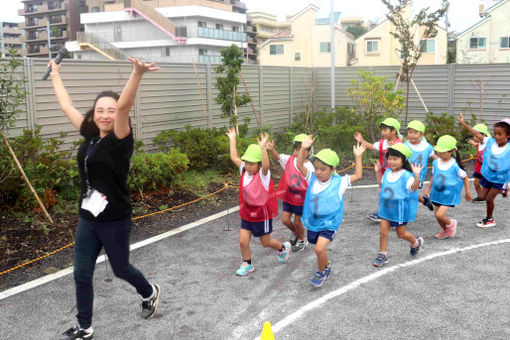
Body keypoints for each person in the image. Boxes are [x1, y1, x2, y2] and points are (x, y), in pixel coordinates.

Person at [49, 57, 161, 340]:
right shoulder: (90, 135)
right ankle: (84, 326)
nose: (105, 115)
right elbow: (66, 106)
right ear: (94, 113)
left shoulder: (121, 139)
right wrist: (55, 74)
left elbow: (124, 106)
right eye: (100, 110)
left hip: (114, 219)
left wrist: (136, 73)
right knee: (81, 274)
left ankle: (148, 291)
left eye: (110, 110)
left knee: (121, 268)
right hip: (88, 218)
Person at [297, 136, 366, 287]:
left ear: (333, 169)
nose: (318, 172)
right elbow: (299, 165)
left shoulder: (339, 182)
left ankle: (321, 272)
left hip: (330, 222)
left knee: (319, 248)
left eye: (323, 169)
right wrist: (303, 148)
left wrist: (358, 157)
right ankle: (326, 265)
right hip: (314, 220)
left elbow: (358, 176)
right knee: (315, 244)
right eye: (316, 168)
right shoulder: (312, 178)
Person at [226, 128, 290, 276]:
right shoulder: (244, 170)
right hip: (247, 212)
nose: (247, 166)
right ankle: (247, 264)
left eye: (251, 163)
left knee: (265, 242)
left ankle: (283, 248)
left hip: (262, 214)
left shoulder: (263, 174)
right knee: (243, 241)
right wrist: (232, 139)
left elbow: (266, 165)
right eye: (246, 163)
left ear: (259, 164)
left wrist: (263, 149)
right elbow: (234, 157)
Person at [373, 143, 424, 268]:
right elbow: (381, 184)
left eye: (395, 159)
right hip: (386, 208)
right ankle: (382, 254)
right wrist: (378, 172)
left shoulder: (406, 175)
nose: (391, 161)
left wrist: (416, 176)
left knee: (400, 234)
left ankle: (415, 242)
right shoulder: (387, 172)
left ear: (403, 160)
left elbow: (413, 187)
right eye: (390, 158)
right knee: (383, 232)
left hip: (400, 210)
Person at [459, 114, 510, 228]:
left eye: (500, 134)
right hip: (489, 175)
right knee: (482, 196)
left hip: (500, 179)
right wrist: (463, 124)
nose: (496, 136)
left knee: (489, 198)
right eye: (495, 133)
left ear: (508, 135)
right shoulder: (490, 142)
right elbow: (476, 133)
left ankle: (489, 219)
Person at [268, 134, 314, 252]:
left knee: (297, 221)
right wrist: (272, 149)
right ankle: (295, 233)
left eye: (301, 149)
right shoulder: (289, 159)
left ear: (307, 151)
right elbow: (278, 157)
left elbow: (310, 184)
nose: (296, 151)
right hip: (289, 197)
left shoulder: (309, 167)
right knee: (285, 220)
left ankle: (302, 239)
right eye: (296, 148)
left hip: (301, 199)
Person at [354, 117, 403, 222]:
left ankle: (397, 216)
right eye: (382, 130)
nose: (382, 132)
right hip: (385, 174)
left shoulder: (399, 144)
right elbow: (372, 146)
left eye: (385, 130)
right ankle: (383, 213)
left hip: (397, 175)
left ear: (394, 131)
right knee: (382, 192)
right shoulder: (382, 143)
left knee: (394, 195)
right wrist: (361, 140)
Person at [423, 135, 472, 239]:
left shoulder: (454, 165)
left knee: (439, 215)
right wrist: (428, 188)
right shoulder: (435, 163)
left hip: (449, 195)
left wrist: (467, 192)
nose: (439, 154)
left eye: (443, 152)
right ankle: (446, 231)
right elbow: (433, 176)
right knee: (437, 216)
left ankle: (451, 223)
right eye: (438, 151)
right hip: (437, 194)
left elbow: (465, 177)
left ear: (451, 151)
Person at [404, 120, 437, 211]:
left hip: (419, 176)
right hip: (405, 175)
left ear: (422, 135)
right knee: (405, 192)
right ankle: (423, 201)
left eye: (415, 133)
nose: (412, 135)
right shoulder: (404, 146)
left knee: (409, 193)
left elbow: (436, 159)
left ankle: (423, 201)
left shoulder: (427, 147)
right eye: (410, 132)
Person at [468, 123, 491, 202]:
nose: (474, 137)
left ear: (484, 135)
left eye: (476, 135)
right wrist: (475, 143)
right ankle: (481, 197)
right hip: (479, 166)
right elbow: (481, 143)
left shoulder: (489, 143)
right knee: (476, 183)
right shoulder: (480, 143)